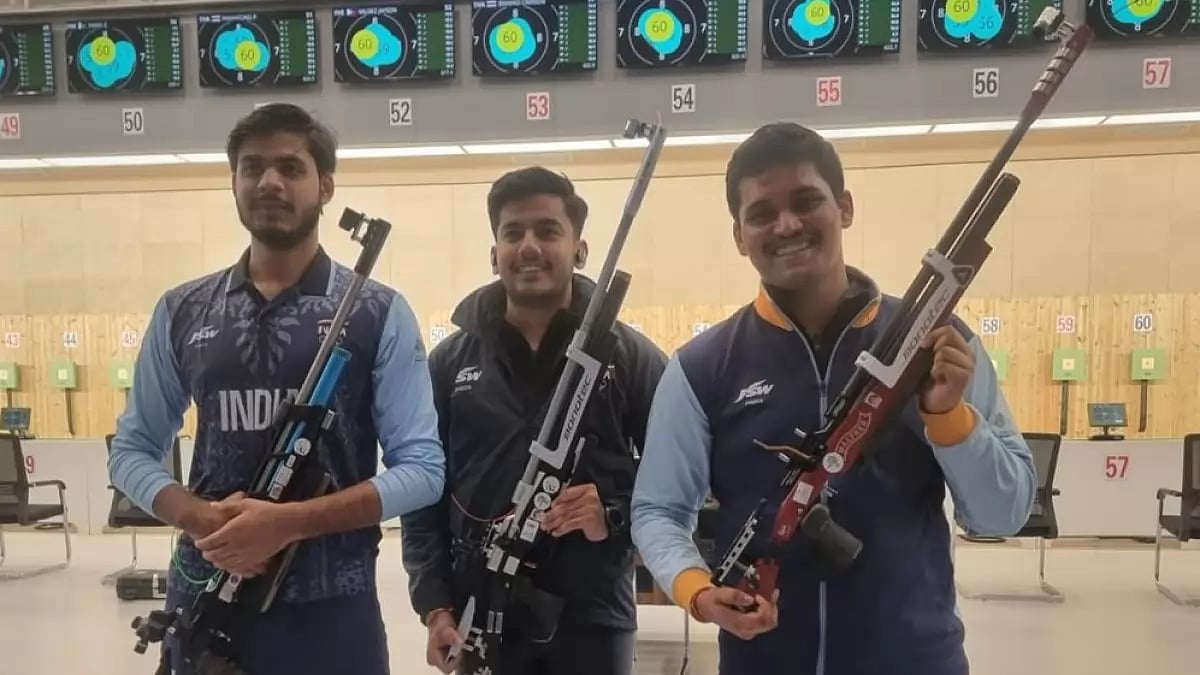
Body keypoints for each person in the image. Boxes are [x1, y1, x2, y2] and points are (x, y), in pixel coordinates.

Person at [630, 122, 1035, 675]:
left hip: (917, 659)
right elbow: (658, 509)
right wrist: (696, 589)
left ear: (844, 207)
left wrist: (949, 418)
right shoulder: (703, 367)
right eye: (762, 213)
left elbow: (1003, 515)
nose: (787, 225)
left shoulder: (939, 343)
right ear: (739, 236)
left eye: (806, 202)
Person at [108, 103, 445, 675]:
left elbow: (423, 470)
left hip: (332, 613)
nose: (269, 181)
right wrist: (198, 517)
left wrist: (288, 522)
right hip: (204, 599)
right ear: (233, 182)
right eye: (252, 167)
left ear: (325, 186)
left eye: (290, 167)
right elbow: (130, 451)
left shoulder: (377, 311)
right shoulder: (183, 309)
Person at [400, 166, 667, 675]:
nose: (529, 247)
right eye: (513, 233)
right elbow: (422, 494)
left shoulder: (629, 357)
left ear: (579, 250)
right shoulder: (449, 364)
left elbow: (680, 478)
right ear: (493, 253)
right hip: (480, 608)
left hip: (594, 618)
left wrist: (613, 513)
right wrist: (435, 606)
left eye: (547, 231)